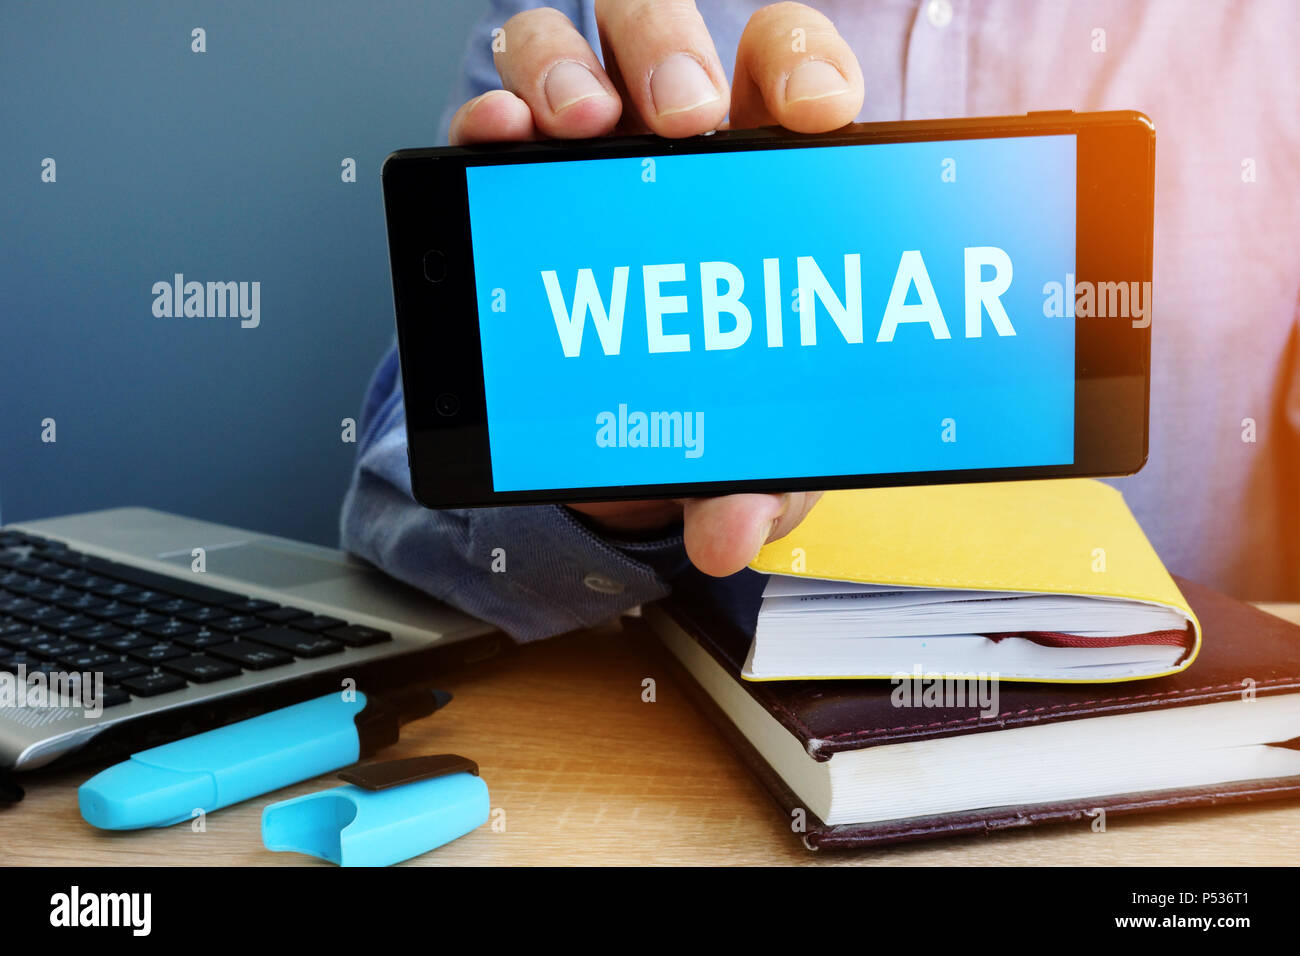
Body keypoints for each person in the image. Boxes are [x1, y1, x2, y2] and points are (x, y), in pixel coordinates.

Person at [341, 0, 1300, 642]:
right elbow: (405, 497)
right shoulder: (599, 24)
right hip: (689, 757)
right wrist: (604, 487)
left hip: (1180, 741)